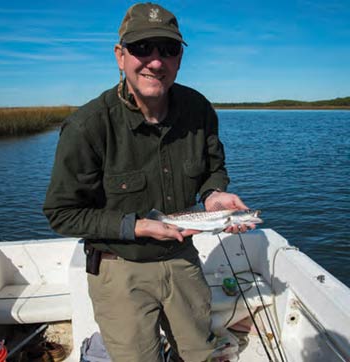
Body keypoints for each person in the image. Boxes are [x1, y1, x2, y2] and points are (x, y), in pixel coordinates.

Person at [44, 3, 254, 361]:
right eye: (142, 48)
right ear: (120, 55)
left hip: (181, 258)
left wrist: (213, 195)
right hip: (117, 265)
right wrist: (138, 227)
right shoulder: (88, 126)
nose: (156, 62)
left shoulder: (198, 109)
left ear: (180, 58)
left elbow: (213, 169)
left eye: (168, 50)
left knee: (200, 353)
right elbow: (62, 213)